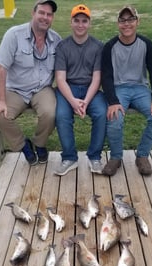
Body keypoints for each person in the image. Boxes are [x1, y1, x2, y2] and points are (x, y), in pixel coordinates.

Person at [0, 0, 61, 165]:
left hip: (43, 89)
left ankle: (40, 144)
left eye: (49, 14)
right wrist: (1, 100)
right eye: (41, 13)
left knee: (50, 113)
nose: (45, 17)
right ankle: (23, 145)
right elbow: (1, 68)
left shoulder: (56, 39)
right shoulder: (14, 34)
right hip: (16, 89)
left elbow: (61, 71)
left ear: (52, 18)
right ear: (33, 13)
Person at [101, 5, 152, 176]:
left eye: (131, 19)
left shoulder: (146, 44)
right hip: (118, 89)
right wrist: (113, 101)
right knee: (114, 118)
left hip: (140, 88)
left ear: (138, 21)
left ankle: (142, 155)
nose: (127, 24)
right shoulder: (110, 46)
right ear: (118, 24)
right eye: (122, 20)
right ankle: (116, 157)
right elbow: (106, 77)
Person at [54, 4, 107, 176]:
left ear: (89, 24)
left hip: (90, 90)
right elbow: (60, 79)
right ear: (71, 22)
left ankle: (95, 157)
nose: (80, 24)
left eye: (84, 21)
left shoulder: (98, 46)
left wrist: (85, 101)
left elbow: (97, 78)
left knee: (101, 112)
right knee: (62, 115)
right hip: (67, 89)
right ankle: (69, 158)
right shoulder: (62, 47)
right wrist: (73, 102)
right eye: (76, 20)